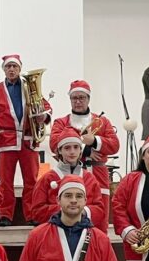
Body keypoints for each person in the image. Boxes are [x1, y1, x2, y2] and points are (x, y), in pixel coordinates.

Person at [0, 54, 51, 226]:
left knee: (31, 180)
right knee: (5, 181)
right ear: (4, 69)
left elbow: (45, 106)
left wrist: (44, 116)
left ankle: (32, 215)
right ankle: (5, 215)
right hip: (6, 140)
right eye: (8, 67)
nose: (12, 69)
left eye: (15, 66)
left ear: (20, 69)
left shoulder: (29, 87)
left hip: (28, 139)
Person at [48, 80, 119, 221]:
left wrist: (94, 141)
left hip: (98, 173)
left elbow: (114, 145)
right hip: (69, 172)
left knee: (99, 216)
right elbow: (54, 144)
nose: (78, 101)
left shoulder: (102, 121)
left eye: (82, 97)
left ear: (88, 99)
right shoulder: (61, 122)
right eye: (74, 98)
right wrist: (85, 149)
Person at [30, 126, 106, 226]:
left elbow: (100, 210)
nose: (72, 152)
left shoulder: (90, 178)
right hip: (55, 231)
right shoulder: (47, 179)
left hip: (84, 231)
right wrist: (66, 211)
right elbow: (37, 212)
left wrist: (82, 211)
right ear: (59, 151)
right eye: (67, 148)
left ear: (80, 150)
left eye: (76, 147)